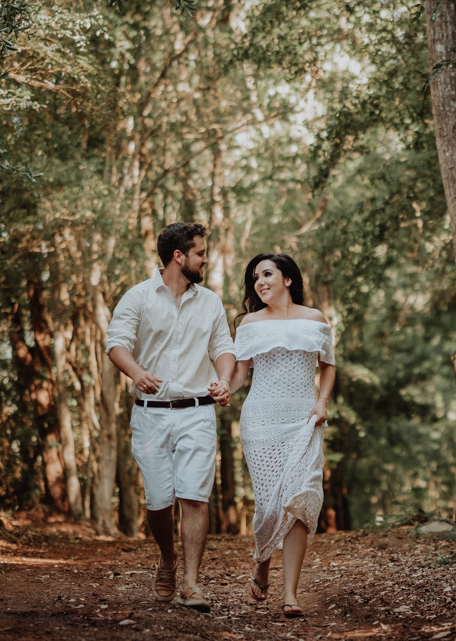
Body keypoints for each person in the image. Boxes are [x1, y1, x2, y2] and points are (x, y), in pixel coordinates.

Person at [105, 222, 234, 612]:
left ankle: (192, 584)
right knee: (158, 500)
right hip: (150, 416)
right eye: (200, 253)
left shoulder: (210, 301)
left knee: (194, 497)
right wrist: (138, 373)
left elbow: (223, 347)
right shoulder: (139, 297)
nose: (205, 259)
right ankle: (167, 558)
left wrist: (224, 379)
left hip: (197, 412)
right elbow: (116, 343)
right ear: (179, 256)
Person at [227, 253, 335, 618]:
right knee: (270, 504)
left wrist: (321, 402)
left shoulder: (315, 319)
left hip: (304, 419)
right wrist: (225, 388)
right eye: (255, 277)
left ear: (287, 279)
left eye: (267, 274)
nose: (260, 282)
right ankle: (261, 560)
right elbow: (240, 373)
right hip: (261, 421)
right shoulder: (250, 324)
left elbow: (329, 366)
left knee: (301, 500)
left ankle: (290, 593)